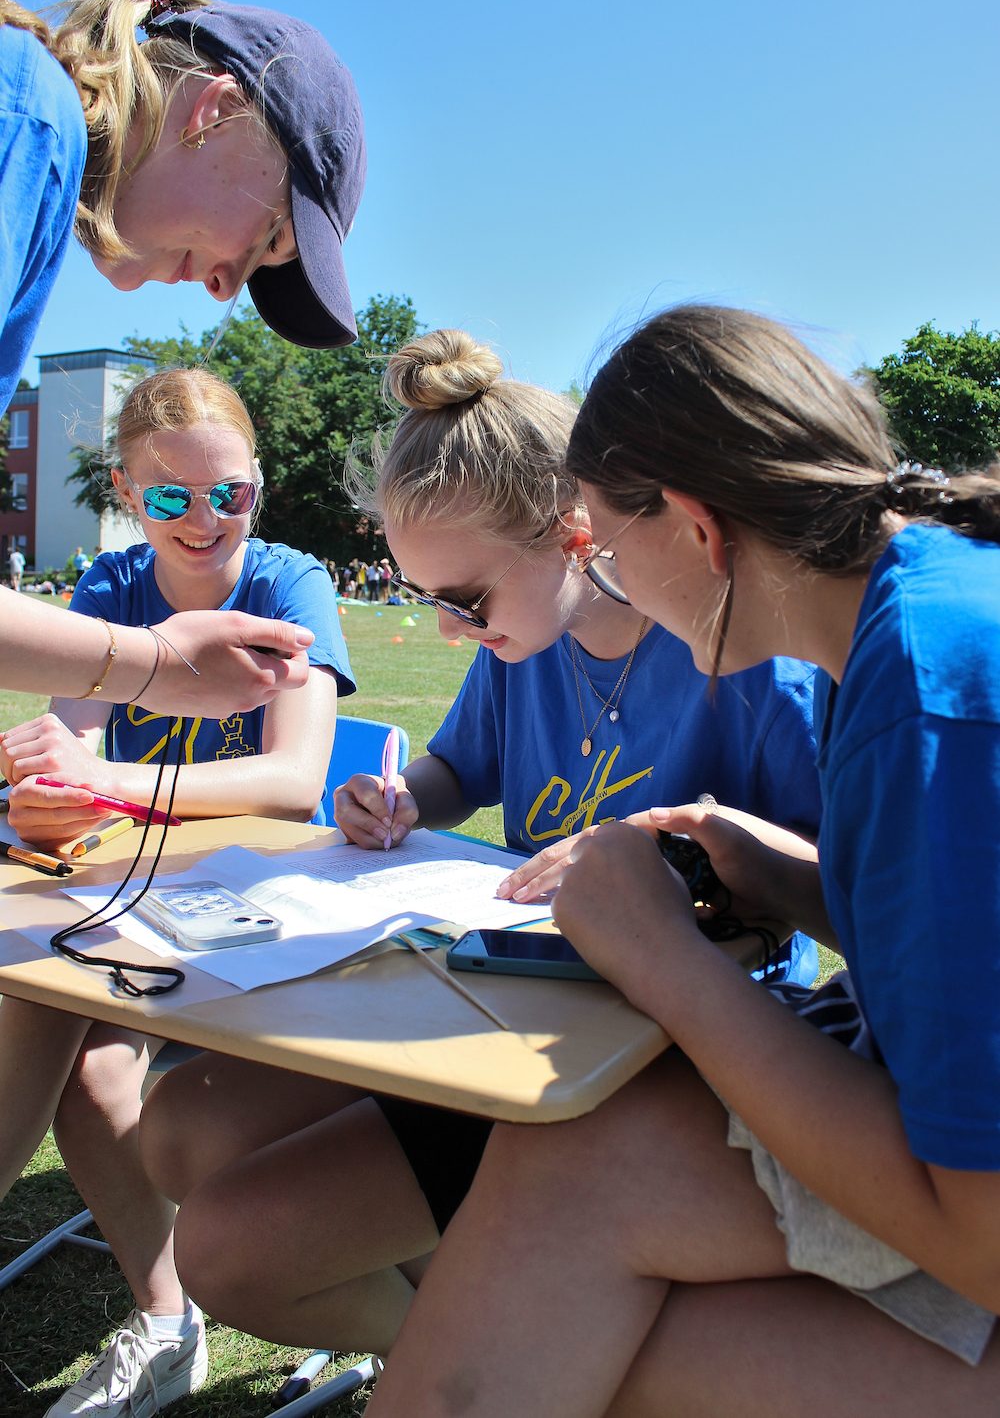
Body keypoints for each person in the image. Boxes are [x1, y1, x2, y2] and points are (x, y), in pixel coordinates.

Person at [137, 328, 822, 1366]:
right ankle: (479, 1339)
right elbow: (459, 770)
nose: (454, 631)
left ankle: (481, 1359)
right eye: (426, 604)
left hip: (660, 1057)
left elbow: (829, 884)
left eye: (464, 601)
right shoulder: (524, 647)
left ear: (572, 534)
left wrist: (670, 851)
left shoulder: (745, 658)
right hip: (512, 1004)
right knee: (187, 1116)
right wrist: (400, 796)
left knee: (233, 1247)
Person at [362, 306, 1000, 1418]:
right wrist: (793, 879)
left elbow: (979, 1233)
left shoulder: (927, 698)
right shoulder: (926, 602)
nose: (606, 586)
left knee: (553, 1334)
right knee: (560, 1205)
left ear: (699, 532)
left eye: (604, 548)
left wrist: (664, 957)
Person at [0, 366, 354, 1418]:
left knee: (40, 1006)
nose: (204, 522)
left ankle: (172, 1312)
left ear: (260, 486)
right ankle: (166, 1321)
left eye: (228, 494)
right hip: (130, 905)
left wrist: (104, 784)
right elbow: (61, 761)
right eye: (169, 499)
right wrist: (50, 796)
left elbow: (292, 787)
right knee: (83, 1068)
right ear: (125, 491)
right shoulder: (112, 590)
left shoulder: (291, 584)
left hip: (257, 917)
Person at [0, 0, 365, 704]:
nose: (229, 289)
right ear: (218, 112)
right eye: (268, 236)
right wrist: (156, 666)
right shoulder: (29, 116)